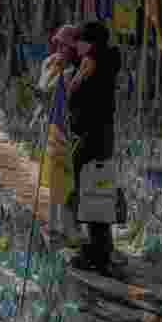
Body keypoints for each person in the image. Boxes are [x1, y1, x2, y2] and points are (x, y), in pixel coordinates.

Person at [66, 21, 121, 274]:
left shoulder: (91, 64)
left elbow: (75, 95)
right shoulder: (103, 62)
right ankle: (101, 248)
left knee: (90, 190)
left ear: (92, 43)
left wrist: (71, 82)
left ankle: (97, 252)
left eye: (81, 40)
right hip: (102, 135)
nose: (77, 44)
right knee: (98, 189)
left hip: (93, 135)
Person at [39, 25, 84, 247]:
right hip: (55, 130)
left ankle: (68, 231)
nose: (60, 49)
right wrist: (54, 67)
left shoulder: (75, 71)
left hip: (69, 134)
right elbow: (43, 87)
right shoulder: (55, 67)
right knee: (56, 183)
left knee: (68, 185)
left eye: (64, 46)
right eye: (58, 45)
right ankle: (56, 227)